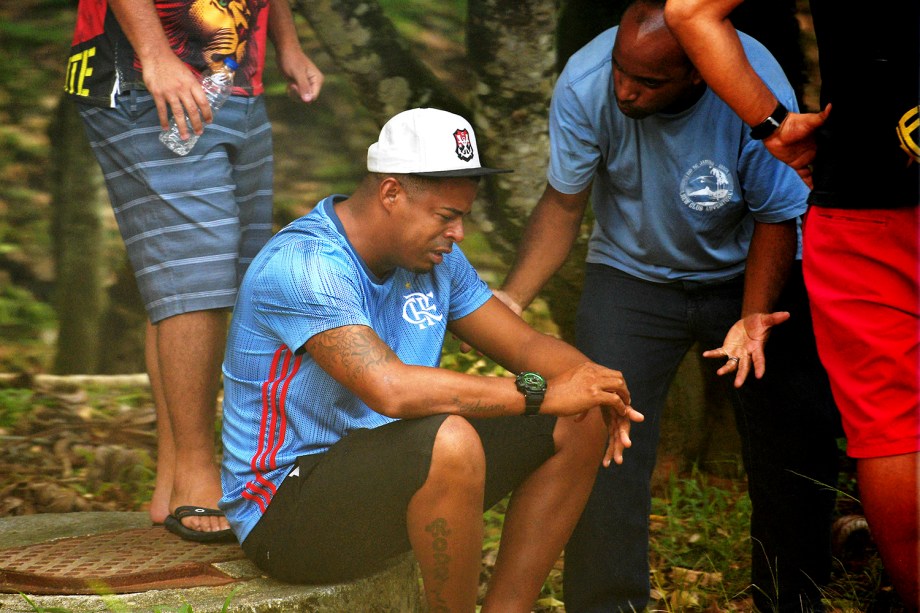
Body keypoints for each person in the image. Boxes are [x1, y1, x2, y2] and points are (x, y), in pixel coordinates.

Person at [217, 107, 644, 612]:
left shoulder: (437, 260)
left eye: (462, 216)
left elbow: (526, 347)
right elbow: (391, 390)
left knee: (579, 418)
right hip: (285, 512)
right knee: (451, 439)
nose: (459, 233)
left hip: (387, 476)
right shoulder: (306, 265)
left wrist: (594, 384)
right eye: (447, 216)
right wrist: (543, 392)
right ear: (391, 193)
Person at [496, 0, 842, 610]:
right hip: (630, 275)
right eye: (621, 73)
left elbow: (776, 216)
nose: (625, 91)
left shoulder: (754, 88)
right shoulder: (585, 79)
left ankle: (792, 596)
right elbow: (563, 203)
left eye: (648, 81)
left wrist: (754, 315)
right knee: (597, 428)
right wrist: (513, 299)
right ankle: (607, 602)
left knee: (794, 436)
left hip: (748, 272)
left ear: (701, 72)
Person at [664, 1, 920, 609]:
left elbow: (691, 10)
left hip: (867, 195)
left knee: (893, 428)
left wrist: (774, 124)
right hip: (864, 203)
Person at [65, 0, 324, 542]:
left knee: (206, 278)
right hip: (142, 76)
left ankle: (175, 474)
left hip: (237, 83)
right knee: (197, 284)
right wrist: (155, 53)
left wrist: (287, 45)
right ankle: (201, 476)